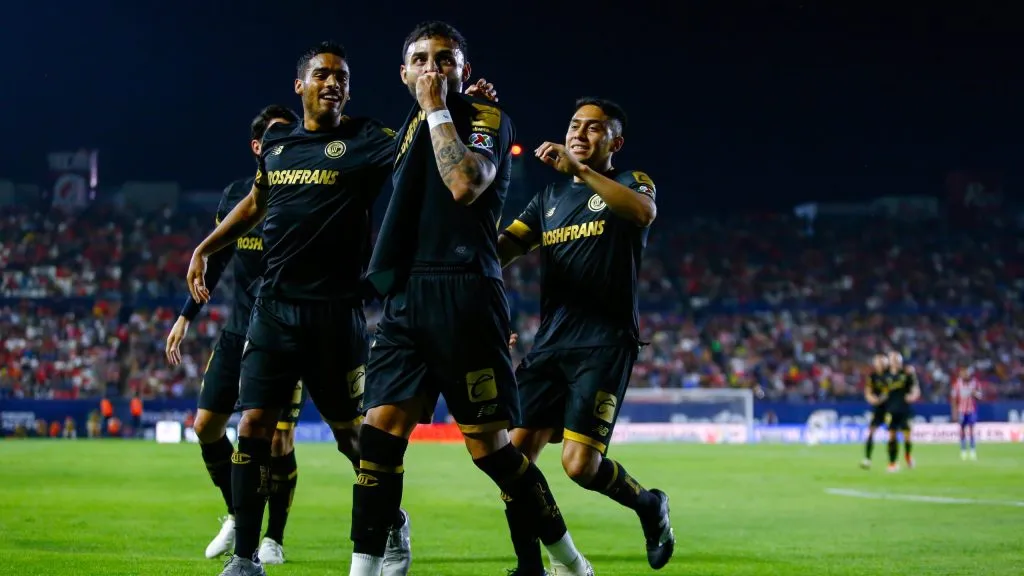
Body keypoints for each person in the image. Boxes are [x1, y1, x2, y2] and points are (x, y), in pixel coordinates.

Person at [348, 21, 593, 576]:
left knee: (493, 452)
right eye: (422, 59)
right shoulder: (407, 132)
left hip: (465, 293)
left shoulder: (487, 120)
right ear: (404, 73)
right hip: (408, 298)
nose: (433, 68)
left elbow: (465, 183)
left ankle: (572, 562)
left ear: (464, 70)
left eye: (445, 59)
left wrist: (440, 108)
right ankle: (363, 569)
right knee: (378, 439)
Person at [496, 97, 674, 573]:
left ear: (614, 142)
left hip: (604, 343)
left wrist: (579, 169)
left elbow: (642, 214)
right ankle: (530, 566)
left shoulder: (630, 183)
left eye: (594, 129)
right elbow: (502, 251)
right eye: (575, 125)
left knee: (579, 467)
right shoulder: (546, 201)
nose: (580, 133)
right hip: (550, 344)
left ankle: (650, 505)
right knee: (511, 460)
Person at [166, 104, 306, 565]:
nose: (282, 141)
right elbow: (218, 257)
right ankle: (236, 513)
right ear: (256, 147)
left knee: (278, 439)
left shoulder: (305, 192)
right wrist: (186, 315)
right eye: (273, 135)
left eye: (290, 133)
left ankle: (273, 538)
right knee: (205, 426)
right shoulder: (234, 196)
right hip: (238, 328)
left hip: (284, 333)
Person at [884, 351, 919, 472]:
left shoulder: (907, 373)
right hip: (890, 410)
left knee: (907, 436)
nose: (895, 362)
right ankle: (892, 463)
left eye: (897, 360)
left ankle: (908, 456)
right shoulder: (885, 375)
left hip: (904, 409)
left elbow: (915, 388)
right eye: (893, 360)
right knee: (892, 436)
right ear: (889, 361)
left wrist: (913, 395)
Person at [861, 353, 890, 469]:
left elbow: (891, 391)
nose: (880, 364)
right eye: (878, 362)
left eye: (882, 362)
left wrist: (883, 397)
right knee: (871, 432)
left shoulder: (890, 375)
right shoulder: (872, 376)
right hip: (878, 408)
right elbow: (868, 391)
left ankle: (893, 460)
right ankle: (867, 459)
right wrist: (872, 399)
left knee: (892, 434)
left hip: (889, 408)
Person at [951, 367, 982, 460]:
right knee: (962, 430)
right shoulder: (957, 384)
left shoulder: (975, 383)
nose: (964, 375)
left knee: (972, 430)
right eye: (962, 374)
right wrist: (954, 412)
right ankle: (963, 450)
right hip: (961, 410)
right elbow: (953, 398)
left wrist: (974, 393)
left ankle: (972, 450)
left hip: (971, 410)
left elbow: (980, 396)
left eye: (965, 373)